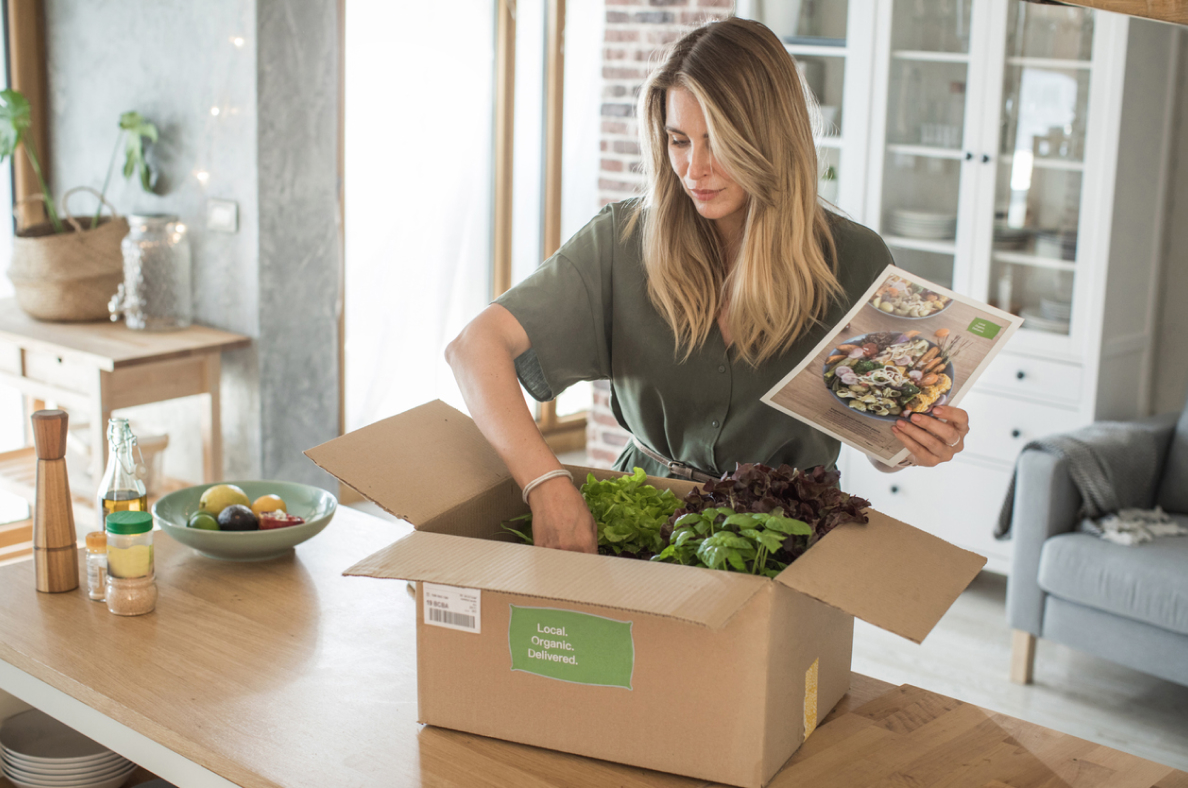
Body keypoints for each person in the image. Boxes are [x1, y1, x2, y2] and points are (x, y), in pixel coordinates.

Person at [446, 17, 970, 554]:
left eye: (717, 142)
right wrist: (545, 483)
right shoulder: (622, 240)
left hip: (789, 538)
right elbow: (473, 348)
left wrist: (911, 444)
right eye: (678, 140)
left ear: (769, 140)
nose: (694, 169)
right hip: (644, 518)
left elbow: (879, 436)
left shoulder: (854, 259)